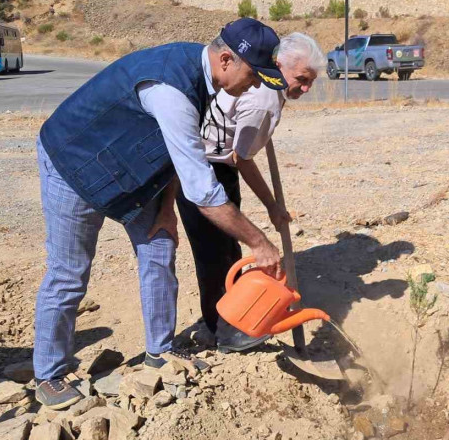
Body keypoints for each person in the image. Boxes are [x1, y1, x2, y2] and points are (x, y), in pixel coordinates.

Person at [33, 18, 290, 410]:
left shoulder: (202, 74)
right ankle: (49, 375)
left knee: (158, 248)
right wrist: (259, 242)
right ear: (226, 59)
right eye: (254, 76)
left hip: (129, 168)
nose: (254, 86)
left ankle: (161, 351)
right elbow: (204, 193)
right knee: (69, 273)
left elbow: (174, 149)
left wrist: (166, 208)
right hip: (73, 162)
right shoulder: (172, 88)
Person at [176, 32, 324, 352]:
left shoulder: (269, 92)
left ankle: (227, 318)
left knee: (228, 252)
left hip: (216, 166)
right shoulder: (264, 99)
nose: (306, 87)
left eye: (311, 80)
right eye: (301, 79)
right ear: (279, 66)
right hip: (205, 170)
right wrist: (271, 205)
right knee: (215, 256)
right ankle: (223, 333)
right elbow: (241, 159)